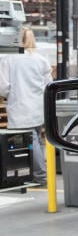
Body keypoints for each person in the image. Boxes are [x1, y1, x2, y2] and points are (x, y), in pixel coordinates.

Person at [0, 28, 52, 184]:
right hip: (38, 106)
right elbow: (48, 84)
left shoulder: (9, 59)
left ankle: (41, 176)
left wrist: (9, 95)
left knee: (32, 141)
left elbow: (3, 87)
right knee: (38, 140)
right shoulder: (40, 59)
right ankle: (41, 174)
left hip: (20, 106)